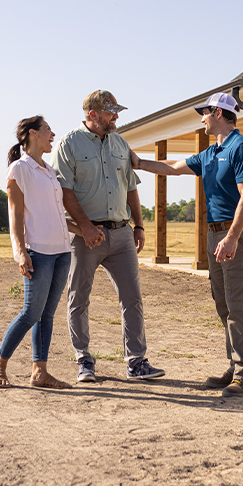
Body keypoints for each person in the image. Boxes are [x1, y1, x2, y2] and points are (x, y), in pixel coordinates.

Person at [130, 92, 243, 398]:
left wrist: (231, 237)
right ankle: (234, 367)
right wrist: (136, 162)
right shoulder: (211, 152)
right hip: (215, 233)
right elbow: (173, 166)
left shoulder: (241, 147)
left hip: (236, 234)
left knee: (239, 304)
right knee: (224, 304)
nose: (201, 118)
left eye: (204, 113)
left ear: (217, 112)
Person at [51, 90, 165, 382]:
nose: (116, 117)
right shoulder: (69, 145)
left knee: (133, 299)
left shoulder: (120, 143)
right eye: (111, 112)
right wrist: (86, 227)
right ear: (93, 115)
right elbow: (63, 191)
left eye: (116, 111)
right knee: (78, 297)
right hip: (85, 236)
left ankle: (136, 362)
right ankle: (83, 360)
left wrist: (139, 225)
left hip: (121, 233)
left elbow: (131, 187)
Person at [0, 115, 81, 390]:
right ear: (32, 134)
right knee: (31, 312)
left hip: (62, 251)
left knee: (47, 314)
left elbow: (56, 214)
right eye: (48, 130)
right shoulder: (19, 169)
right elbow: (15, 215)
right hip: (37, 251)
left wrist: (84, 230)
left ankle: (39, 372)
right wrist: (21, 252)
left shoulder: (49, 171)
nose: (53, 135)